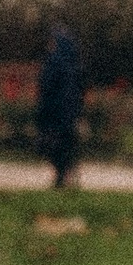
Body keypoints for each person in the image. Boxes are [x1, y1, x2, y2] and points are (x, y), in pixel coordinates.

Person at [36, 23, 87, 187]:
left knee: (53, 144)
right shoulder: (75, 64)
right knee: (66, 145)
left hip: (55, 111)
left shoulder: (54, 63)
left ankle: (62, 175)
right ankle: (65, 173)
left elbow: (47, 86)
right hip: (68, 112)